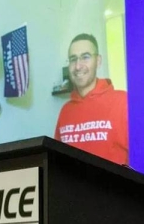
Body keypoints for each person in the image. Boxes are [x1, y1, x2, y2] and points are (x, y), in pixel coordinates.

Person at [54, 33, 129, 164]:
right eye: (73, 59)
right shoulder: (65, 111)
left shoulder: (123, 102)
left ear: (98, 61)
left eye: (85, 57)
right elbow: (57, 160)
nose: (78, 66)